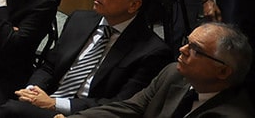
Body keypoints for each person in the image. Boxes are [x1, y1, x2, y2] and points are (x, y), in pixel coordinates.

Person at [0, 0, 172, 118]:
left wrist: (55, 104)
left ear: (134, 4)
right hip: (43, 100)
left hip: (84, 113)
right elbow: (50, 66)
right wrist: (34, 90)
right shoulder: (80, 19)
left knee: (6, 112)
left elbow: (121, 105)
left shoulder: (151, 51)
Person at [55, 22, 252, 118]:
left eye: (196, 50)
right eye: (186, 43)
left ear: (223, 72)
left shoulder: (230, 115)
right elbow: (129, 108)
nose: (182, 50)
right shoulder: (173, 73)